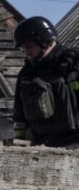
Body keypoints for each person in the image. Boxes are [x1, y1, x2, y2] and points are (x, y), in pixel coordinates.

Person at [13, 16, 79, 147]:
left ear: (44, 40)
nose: (26, 52)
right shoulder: (26, 74)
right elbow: (19, 117)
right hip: (42, 146)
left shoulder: (73, 63)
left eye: (29, 46)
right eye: (23, 48)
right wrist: (20, 145)